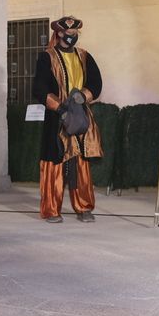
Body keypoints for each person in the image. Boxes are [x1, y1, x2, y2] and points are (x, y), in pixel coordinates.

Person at [32, 16, 103, 223]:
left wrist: (83, 95)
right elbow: (39, 88)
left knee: (81, 161)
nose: (71, 37)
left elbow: (96, 83)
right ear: (59, 34)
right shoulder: (47, 57)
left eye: (75, 34)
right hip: (57, 117)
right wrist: (60, 108)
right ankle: (51, 209)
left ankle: (83, 207)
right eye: (68, 34)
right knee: (54, 162)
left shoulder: (85, 56)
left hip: (80, 115)